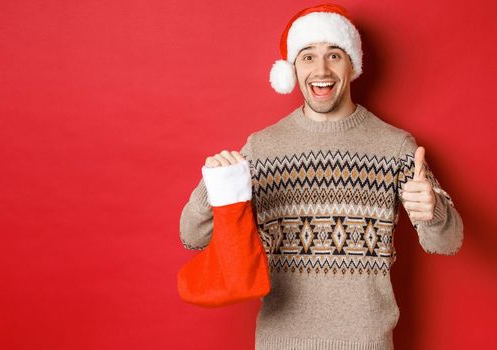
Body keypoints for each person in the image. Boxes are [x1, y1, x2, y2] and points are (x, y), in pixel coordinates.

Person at [178, 3, 464, 349]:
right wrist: (213, 186)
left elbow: (447, 243)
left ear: (352, 64)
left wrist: (433, 210)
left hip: (366, 343)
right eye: (308, 57)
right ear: (293, 69)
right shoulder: (262, 148)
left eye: (334, 55)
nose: (321, 69)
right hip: (280, 342)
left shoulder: (396, 146)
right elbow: (192, 237)